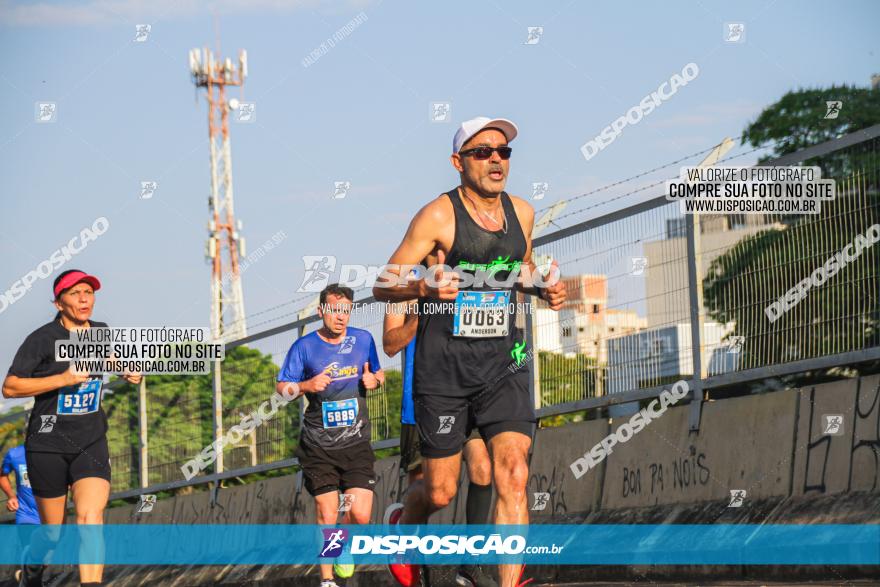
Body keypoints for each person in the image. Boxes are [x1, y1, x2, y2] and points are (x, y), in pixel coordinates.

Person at [372, 117, 566, 587]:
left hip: (505, 364)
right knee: (439, 491)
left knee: (514, 473)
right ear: (459, 162)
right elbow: (383, 285)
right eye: (483, 152)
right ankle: (403, 524)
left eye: (503, 151)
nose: (496, 158)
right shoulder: (438, 216)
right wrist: (422, 286)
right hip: (445, 372)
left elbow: (522, 269)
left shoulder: (522, 212)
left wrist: (545, 288)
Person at [2, 269, 142, 587]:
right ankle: (32, 567)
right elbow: (9, 387)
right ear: (58, 301)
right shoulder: (42, 339)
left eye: (89, 292)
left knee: (91, 519)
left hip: (89, 440)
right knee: (52, 532)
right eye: (75, 292)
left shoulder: (100, 332)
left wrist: (128, 370)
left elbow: (111, 358)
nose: (84, 298)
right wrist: (62, 379)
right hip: (47, 443)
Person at [382, 300, 497, 587]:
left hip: (465, 397)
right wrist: (417, 321)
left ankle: (473, 563)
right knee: (436, 494)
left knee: (482, 467)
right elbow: (389, 344)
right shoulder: (404, 289)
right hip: (421, 404)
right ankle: (405, 537)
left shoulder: (466, 279)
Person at [277, 283, 385, 587]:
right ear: (321, 311)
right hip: (318, 446)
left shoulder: (363, 340)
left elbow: (378, 373)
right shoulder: (305, 347)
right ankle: (327, 581)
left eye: (346, 311)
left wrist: (373, 380)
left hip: (356, 443)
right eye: (335, 310)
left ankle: (344, 548)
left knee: (360, 515)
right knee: (327, 512)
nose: (341, 317)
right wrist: (306, 386)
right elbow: (282, 388)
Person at [1, 443, 41, 584]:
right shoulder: (15, 454)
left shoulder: (57, 450)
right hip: (27, 515)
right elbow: (2, 475)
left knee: (45, 557)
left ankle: (25, 573)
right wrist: (11, 496)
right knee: (31, 551)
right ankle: (28, 577)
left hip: (51, 515)